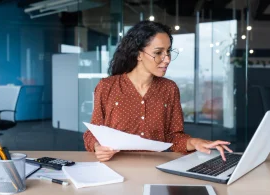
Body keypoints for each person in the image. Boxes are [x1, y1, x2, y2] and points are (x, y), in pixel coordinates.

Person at [83, 20, 232, 162]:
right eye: (158, 52)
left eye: (168, 52)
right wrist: (97, 147)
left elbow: (174, 138)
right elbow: (92, 133)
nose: (167, 59)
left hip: (156, 168)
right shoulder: (107, 86)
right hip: (114, 167)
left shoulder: (169, 89)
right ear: (139, 54)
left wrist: (196, 142)